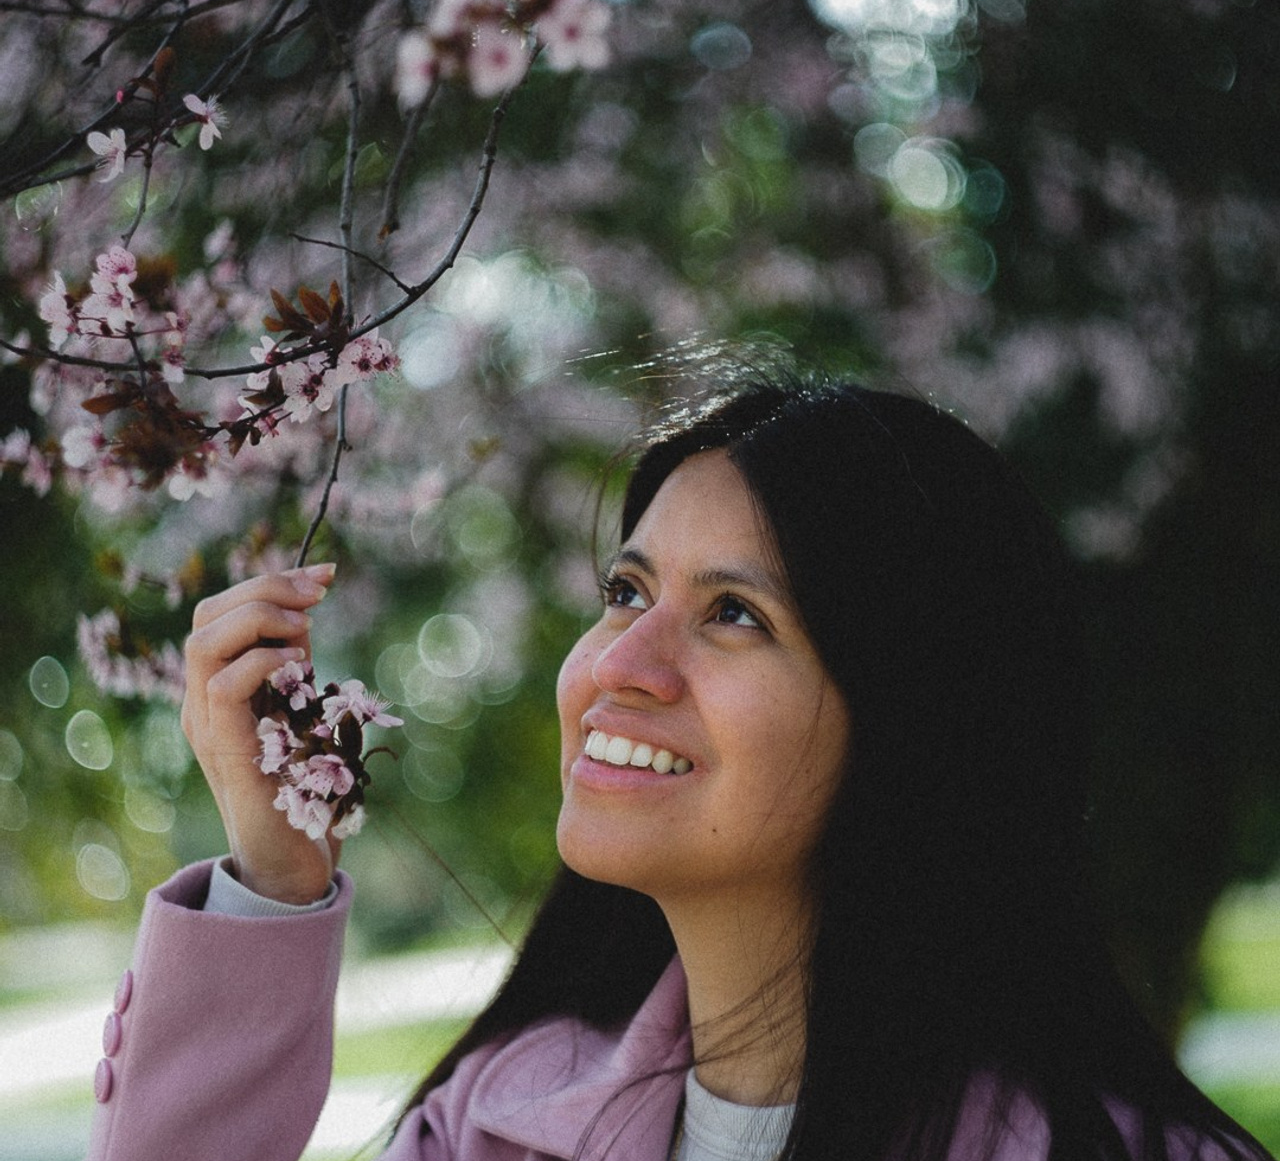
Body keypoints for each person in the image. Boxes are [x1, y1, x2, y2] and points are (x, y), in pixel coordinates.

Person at [84, 370, 1273, 1161]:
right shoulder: (490, 1127)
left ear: (913, 714)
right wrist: (274, 878)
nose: (622, 662)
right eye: (625, 590)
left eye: (737, 615)